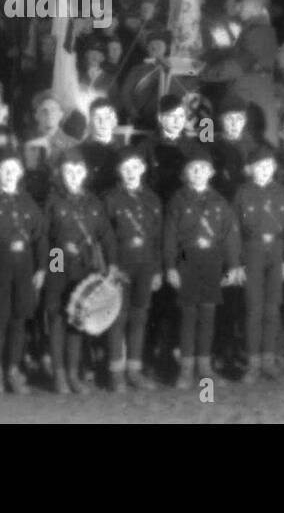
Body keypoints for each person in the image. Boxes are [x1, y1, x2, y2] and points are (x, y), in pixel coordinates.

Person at [164, 148, 240, 389]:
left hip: (211, 261)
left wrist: (234, 265)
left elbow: (230, 236)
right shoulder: (178, 201)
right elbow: (169, 236)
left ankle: (205, 368)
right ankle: (186, 369)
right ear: (186, 173)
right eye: (193, 169)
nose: (198, 173)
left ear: (211, 173)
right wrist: (170, 266)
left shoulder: (219, 202)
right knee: (189, 316)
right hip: (186, 260)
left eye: (203, 169)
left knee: (207, 315)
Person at [0, 146, 46, 394]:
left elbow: (42, 237)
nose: (9, 174)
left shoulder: (29, 202)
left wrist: (46, 268)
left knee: (19, 320)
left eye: (14, 170)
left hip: (25, 270)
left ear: (21, 172)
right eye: (4, 170)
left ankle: (13, 370)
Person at [42, 148, 114, 393]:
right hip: (58, 261)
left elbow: (105, 235)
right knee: (57, 317)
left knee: (78, 317)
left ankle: (73, 374)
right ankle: (59, 375)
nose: (73, 176)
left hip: (85, 266)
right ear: (60, 174)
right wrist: (57, 262)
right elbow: (44, 236)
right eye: (67, 171)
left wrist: (111, 265)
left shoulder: (94, 202)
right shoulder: (52, 201)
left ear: (84, 173)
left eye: (77, 171)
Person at [234, 143, 284, 383]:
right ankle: (253, 363)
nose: (264, 170)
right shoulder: (242, 193)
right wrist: (236, 263)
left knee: (272, 309)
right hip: (252, 253)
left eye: (268, 166)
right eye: (259, 166)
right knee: (253, 309)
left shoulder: (281, 192)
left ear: (274, 168)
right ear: (250, 169)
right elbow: (234, 230)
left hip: (277, 254)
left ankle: (269, 361)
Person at [103, 145, 163, 391]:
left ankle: (135, 370)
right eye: (126, 168)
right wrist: (111, 267)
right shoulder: (111, 199)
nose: (131, 172)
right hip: (120, 265)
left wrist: (158, 269)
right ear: (119, 170)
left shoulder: (152, 199)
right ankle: (116, 372)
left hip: (146, 265)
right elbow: (105, 237)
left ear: (143, 169)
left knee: (140, 316)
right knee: (118, 317)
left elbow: (158, 238)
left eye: (135, 167)